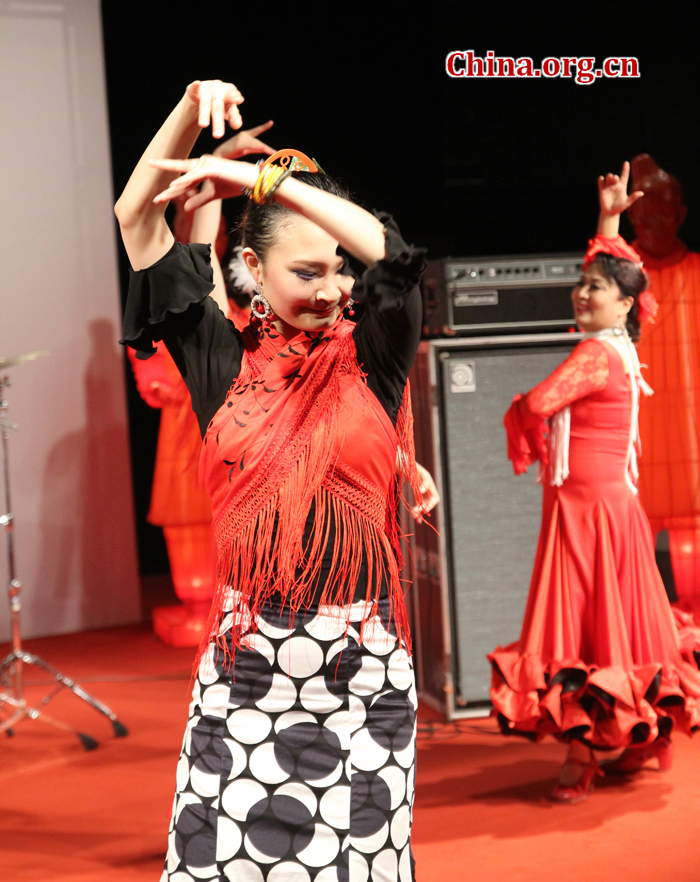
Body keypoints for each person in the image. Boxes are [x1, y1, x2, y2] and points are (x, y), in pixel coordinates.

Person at [117, 79, 428, 880]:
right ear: (251, 266)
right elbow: (134, 216)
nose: (331, 289)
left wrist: (268, 183)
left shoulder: (376, 352)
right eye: (306, 272)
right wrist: (190, 110)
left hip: (363, 674)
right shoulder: (219, 359)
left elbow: (392, 255)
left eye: (338, 273)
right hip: (246, 671)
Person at [488, 163, 700, 804]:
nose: (583, 294)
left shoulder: (594, 354)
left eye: (596, 289)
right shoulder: (622, 344)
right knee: (622, 626)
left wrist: (520, 412)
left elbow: (541, 402)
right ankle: (641, 738)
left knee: (583, 627)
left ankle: (583, 750)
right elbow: (614, 270)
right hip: (605, 504)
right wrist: (608, 219)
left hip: (588, 513)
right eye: (581, 286)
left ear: (625, 303)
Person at [128, 124, 274, 646]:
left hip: (244, 435)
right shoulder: (196, 310)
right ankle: (203, 601)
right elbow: (192, 247)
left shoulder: (253, 321)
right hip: (190, 426)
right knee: (187, 514)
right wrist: (212, 164)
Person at [628, 154, 700, 615]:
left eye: (664, 212)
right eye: (644, 213)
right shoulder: (618, 271)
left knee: (691, 521)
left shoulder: (696, 268)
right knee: (636, 520)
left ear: (682, 215)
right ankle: (645, 621)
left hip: (691, 419)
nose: (655, 221)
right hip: (636, 418)